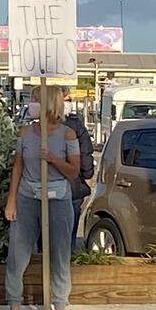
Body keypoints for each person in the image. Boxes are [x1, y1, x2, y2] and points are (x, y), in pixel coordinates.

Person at [2, 86, 81, 310]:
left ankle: (60, 305)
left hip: (58, 198)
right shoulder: (25, 133)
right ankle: (14, 303)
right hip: (28, 196)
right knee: (18, 251)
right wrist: (11, 200)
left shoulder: (68, 135)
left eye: (35, 99)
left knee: (59, 252)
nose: (32, 103)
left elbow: (74, 171)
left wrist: (53, 159)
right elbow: (18, 166)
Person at [62, 96, 95, 247]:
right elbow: (85, 152)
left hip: (69, 184)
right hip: (73, 184)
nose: (67, 103)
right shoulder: (75, 125)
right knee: (70, 225)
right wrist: (87, 177)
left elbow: (85, 152)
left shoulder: (73, 126)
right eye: (65, 99)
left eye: (68, 100)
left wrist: (87, 176)